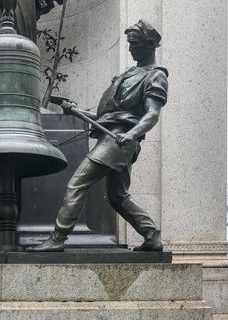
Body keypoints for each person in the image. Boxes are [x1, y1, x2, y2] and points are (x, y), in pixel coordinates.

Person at [30, 20, 168, 252]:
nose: (130, 48)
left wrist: (131, 134)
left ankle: (58, 237)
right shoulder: (129, 74)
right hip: (115, 137)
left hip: (119, 140)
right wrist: (76, 110)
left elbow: (152, 114)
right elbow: (107, 116)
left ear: (150, 45)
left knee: (76, 184)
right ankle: (151, 235)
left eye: (134, 44)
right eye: (129, 44)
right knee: (117, 196)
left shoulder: (155, 76)